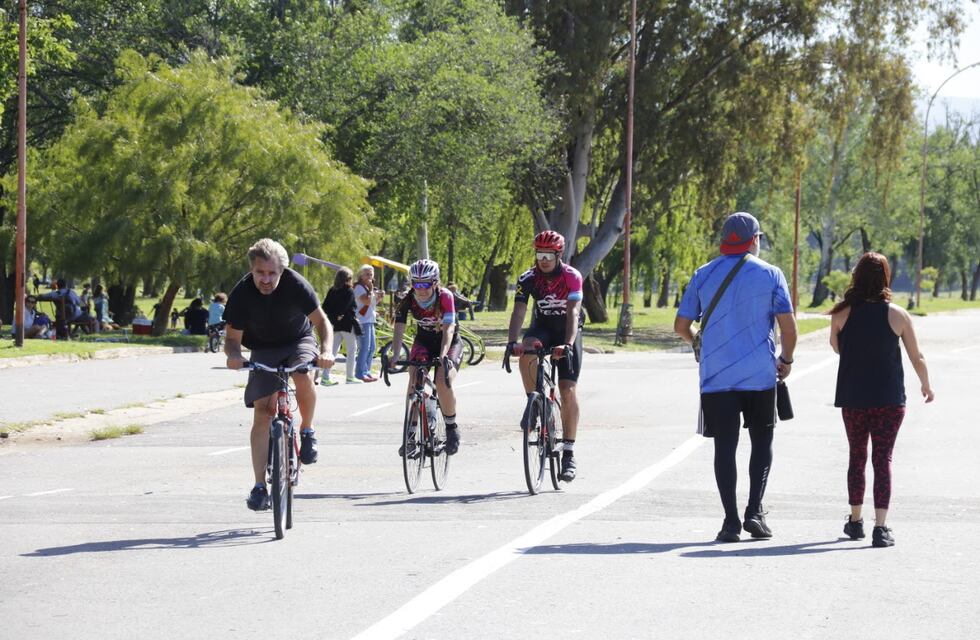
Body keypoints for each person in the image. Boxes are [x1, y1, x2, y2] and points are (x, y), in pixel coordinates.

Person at [674, 211, 796, 543]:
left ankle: (730, 522)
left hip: (716, 377)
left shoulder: (703, 274)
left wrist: (700, 339)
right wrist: (785, 360)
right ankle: (754, 512)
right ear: (755, 240)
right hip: (759, 375)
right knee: (762, 443)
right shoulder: (771, 274)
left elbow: (681, 326)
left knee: (725, 448)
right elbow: (788, 327)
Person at [830, 252, 934, 548]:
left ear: (856, 277)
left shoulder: (841, 313)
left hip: (853, 398)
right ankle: (881, 527)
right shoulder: (897, 314)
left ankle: (855, 521)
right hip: (889, 399)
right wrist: (926, 386)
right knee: (882, 458)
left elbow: (837, 348)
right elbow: (917, 356)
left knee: (857, 456)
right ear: (886, 278)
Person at [223, 238, 335, 511]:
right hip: (262, 347)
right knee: (262, 411)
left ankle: (307, 430)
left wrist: (327, 351)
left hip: (299, 340)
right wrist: (234, 356)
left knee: (301, 373)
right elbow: (232, 338)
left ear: (281, 271)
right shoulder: (242, 293)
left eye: (272, 273)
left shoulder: (296, 284)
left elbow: (322, 322)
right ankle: (260, 486)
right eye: (260, 272)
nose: (266, 279)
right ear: (252, 270)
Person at [507, 230, 585, 482]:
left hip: (567, 329)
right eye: (539, 254)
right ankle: (534, 403)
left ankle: (569, 453)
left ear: (558, 254)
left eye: (548, 255)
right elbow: (519, 311)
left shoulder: (571, 276)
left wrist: (569, 344)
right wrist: (512, 342)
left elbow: (573, 311)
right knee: (526, 352)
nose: (543, 259)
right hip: (542, 328)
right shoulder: (528, 278)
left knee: (567, 389)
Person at [388, 259, 463, 456]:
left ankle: (451, 428)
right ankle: (411, 436)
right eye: (416, 284)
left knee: (442, 380)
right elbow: (399, 327)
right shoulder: (408, 298)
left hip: (449, 342)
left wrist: (443, 355)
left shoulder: (445, 296)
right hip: (423, 341)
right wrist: (396, 354)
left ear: (435, 282)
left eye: (425, 284)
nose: (420, 289)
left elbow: (449, 329)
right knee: (414, 381)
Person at [321, 267, 362, 385]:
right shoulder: (349, 290)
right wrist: (340, 314)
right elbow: (345, 306)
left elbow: (325, 307)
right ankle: (350, 376)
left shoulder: (332, 290)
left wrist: (333, 318)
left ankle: (325, 377)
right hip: (347, 324)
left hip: (334, 325)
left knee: (332, 351)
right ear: (347, 279)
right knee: (351, 350)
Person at [353, 264, 384, 382]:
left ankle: (367, 371)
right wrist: (371, 290)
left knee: (372, 348)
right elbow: (366, 301)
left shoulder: (367, 288)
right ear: (361, 275)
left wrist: (379, 298)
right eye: (367, 274)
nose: (370, 276)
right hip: (362, 321)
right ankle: (360, 373)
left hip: (370, 320)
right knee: (364, 348)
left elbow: (372, 303)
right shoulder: (359, 287)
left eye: (371, 274)